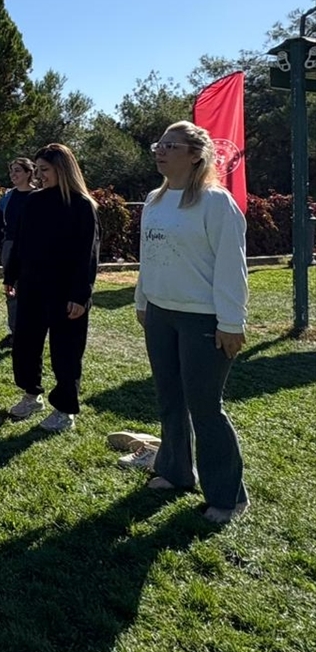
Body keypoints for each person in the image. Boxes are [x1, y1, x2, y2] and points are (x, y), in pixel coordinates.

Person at [135, 120, 250, 524]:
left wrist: (231, 322)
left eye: (171, 145)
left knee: (205, 407)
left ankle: (227, 496)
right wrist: (143, 299)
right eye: (159, 144)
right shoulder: (153, 199)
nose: (160, 151)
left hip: (204, 318)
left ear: (196, 154)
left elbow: (231, 267)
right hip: (160, 314)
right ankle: (175, 471)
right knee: (170, 400)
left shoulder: (216, 203)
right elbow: (147, 257)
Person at [4, 143, 99, 432]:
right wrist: (12, 276)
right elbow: (20, 243)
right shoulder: (34, 202)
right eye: (38, 170)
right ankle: (31, 395)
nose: (40, 175)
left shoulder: (83, 206)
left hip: (66, 292)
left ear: (63, 169)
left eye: (45, 170)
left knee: (66, 351)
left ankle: (65, 409)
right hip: (32, 287)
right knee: (25, 344)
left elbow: (88, 254)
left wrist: (80, 295)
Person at [0, 157, 39, 348]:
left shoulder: (40, 197)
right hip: (10, 247)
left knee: (32, 292)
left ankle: (32, 332)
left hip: (34, 250)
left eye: (18, 170)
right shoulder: (7, 199)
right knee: (12, 291)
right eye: (11, 171)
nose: (13, 174)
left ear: (28, 173)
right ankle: (15, 333)